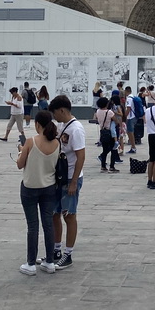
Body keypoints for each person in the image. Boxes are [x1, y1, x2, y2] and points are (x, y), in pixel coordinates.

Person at [16, 109, 60, 275]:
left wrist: (21, 150)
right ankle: (49, 261)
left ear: (37, 124)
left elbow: (20, 164)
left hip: (29, 187)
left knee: (32, 226)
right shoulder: (57, 142)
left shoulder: (30, 141)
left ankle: (30, 263)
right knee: (48, 224)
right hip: (49, 187)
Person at [49, 95, 86, 270]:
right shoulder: (63, 126)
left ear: (62, 110)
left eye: (55, 113)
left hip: (71, 177)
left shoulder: (76, 129)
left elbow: (81, 156)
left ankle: (68, 254)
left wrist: (73, 182)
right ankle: (56, 250)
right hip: (60, 177)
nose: (54, 117)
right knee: (55, 213)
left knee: (69, 215)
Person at [94, 96, 121, 172]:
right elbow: (116, 121)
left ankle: (103, 166)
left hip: (102, 132)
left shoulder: (98, 111)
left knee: (105, 149)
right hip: (109, 132)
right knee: (113, 149)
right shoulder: (109, 112)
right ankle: (112, 166)